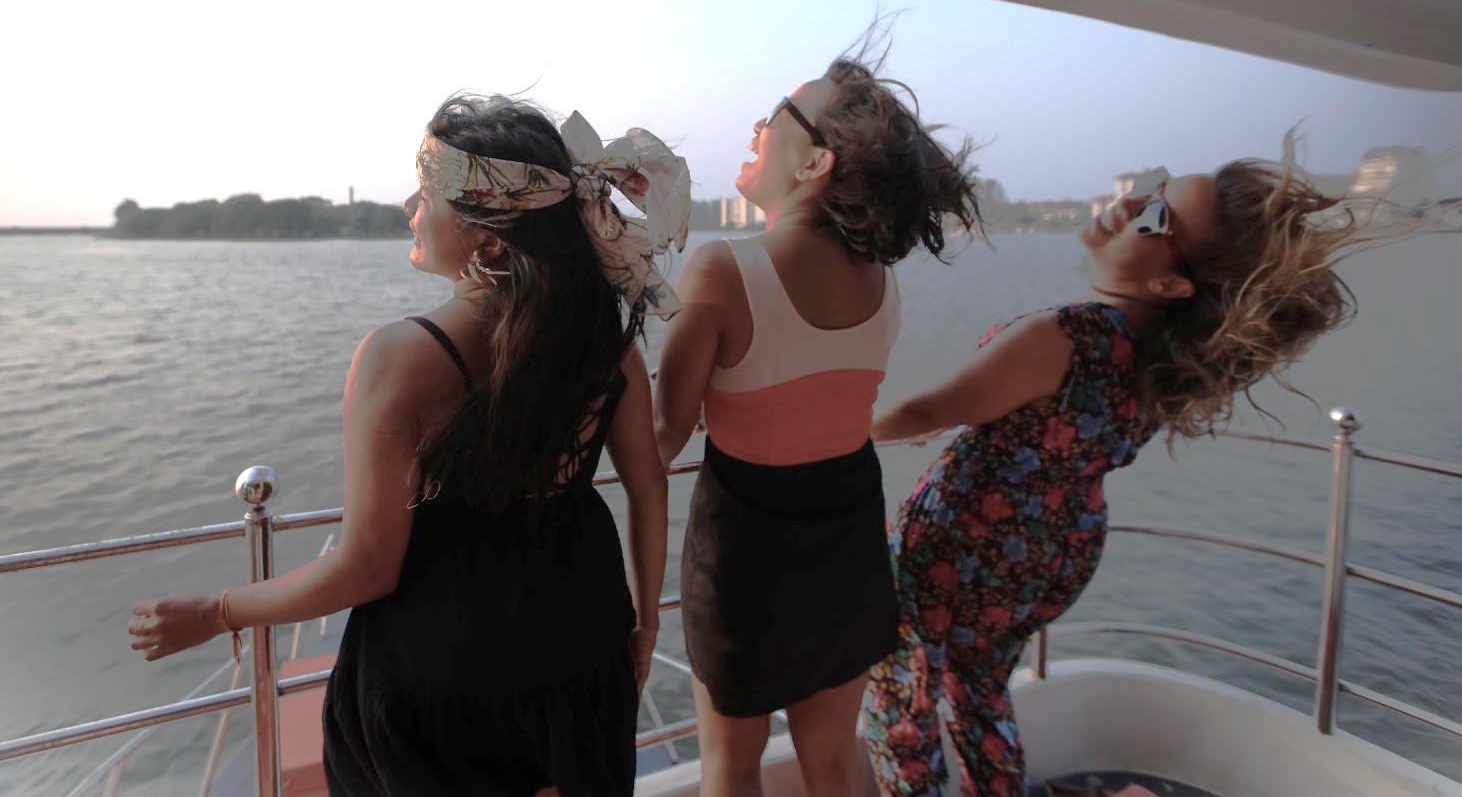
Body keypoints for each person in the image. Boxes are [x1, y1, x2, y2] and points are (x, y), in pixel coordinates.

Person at [128, 94, 690, 796]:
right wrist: (641, 626)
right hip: (584, 634)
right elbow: (650, 484)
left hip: (445, 670)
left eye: (426, 193)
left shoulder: (400, 357)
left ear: (488, 236)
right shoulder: (607, 342)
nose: (408, 207)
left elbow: (365, 568)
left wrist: (217, 611)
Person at [863, 159, 1404, 797]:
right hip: (1053, 551)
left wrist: (829, 432)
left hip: (967, 541)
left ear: (1171, 284)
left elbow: (930, 411)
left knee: (900, 695)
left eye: (1155, 215)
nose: (1131, 206)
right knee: (978, 687)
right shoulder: (1156, 364)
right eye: (1147, 195)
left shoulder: (1069, 336)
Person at [653, 51, 983, 796]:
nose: (757, 130)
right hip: (848, 543)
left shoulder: (721, 271)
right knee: (834, 763)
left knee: (730, 768)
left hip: (745, 550)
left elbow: (660, 436)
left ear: (816, 164)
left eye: (773, 119)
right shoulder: (881, 280)